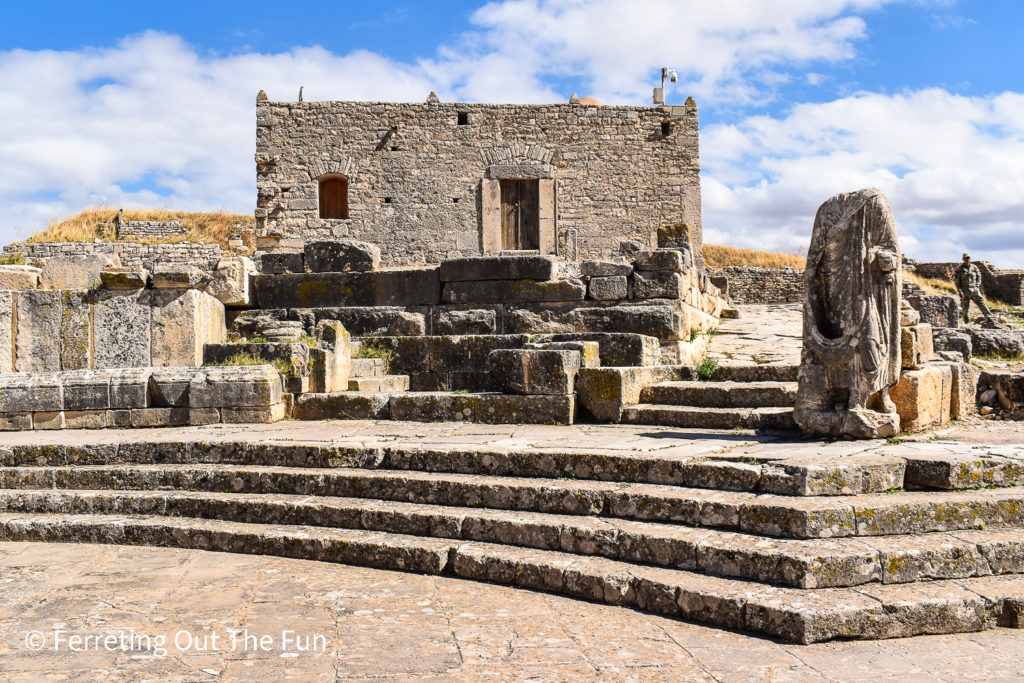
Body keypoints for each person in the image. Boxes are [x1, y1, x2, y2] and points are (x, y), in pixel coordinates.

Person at [954, 253, 995, 325]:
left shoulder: (974, 267)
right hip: (965, 290)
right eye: (966, 258)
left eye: (968, 258)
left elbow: (979, 277)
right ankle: (967, 322)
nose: (967, 260)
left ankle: (990, 318)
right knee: (965, 308)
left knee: (982, 303)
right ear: (963, 259)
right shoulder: (960, 269)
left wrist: (977, 286)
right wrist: (960, 291)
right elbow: (957, 281)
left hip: (975, 290)